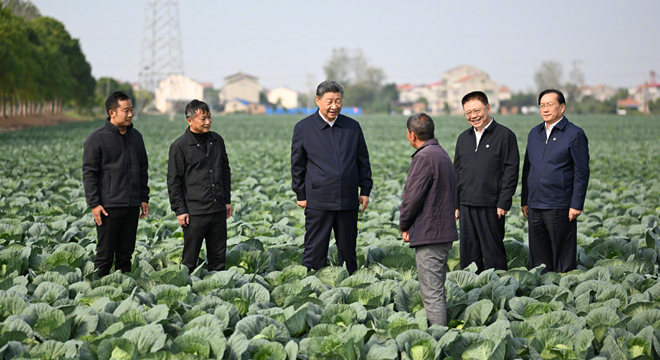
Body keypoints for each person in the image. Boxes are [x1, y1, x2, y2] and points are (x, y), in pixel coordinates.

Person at [290, 80, 372, 275]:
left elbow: (363, 161)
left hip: (348, 200)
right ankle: (313, 288)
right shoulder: (304, 128)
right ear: (318, 101)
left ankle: (350, 285)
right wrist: (300, 194)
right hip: (319, 200)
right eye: (329, 101)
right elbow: (297, 165)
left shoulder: (352, 127)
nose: (334, 106)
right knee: (314, 252)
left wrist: (365, 190)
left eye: (338, 101)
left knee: (348, 251)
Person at [522, 89, 589, 273]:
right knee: (538, 256)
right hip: (535, 205)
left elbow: (581, 172)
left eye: (549, 104)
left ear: (562, 107)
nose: (545, 109)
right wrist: (525, 200)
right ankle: (541, 289)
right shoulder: (534, 133)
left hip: (559, 205)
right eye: (542, 105)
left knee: (562, 256)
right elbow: (528, 168)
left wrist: (576, 204)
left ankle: (565, 289)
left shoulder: (574, 134)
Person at [82, 91, 149, 277]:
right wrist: (94, 204)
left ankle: (124, 292)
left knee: (125, 256)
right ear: (112, 112)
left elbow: (143, 169)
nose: (130, 114)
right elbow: (89, 173)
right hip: (108, 207)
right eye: (125, 110)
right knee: (105, 255)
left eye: (131, 110)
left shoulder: (136, 137)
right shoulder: (97, 139)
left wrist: (143, 198)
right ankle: (97, 291)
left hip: (131, 206)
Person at [400, 113, 457, 326]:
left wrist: (404, 225)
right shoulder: (441, 153)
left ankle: (439, 341)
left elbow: (411, 198)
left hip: (429, 234)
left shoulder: (423, 157)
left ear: (412, 135)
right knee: (437, 290)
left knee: (431, 294)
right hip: (443, 232)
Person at [454, 91, 519, 273]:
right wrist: (456, 203)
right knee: (468, 253)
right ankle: (471, 292)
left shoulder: (505, 136)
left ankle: (496, 289)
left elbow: (510, 171)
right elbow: (457, 172)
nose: (473, 116)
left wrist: (504, 201)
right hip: (466, 204)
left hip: (491, 205)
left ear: (488, 108)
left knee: (493, 253)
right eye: (468, 112)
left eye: (476, 110)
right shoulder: (463, 138)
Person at [167, 100, 232, 273]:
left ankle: (217, 290)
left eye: (209, 117)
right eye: (203, 118)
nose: (208, 121)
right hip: (195, 211)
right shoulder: (179, 146)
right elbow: (174, 181)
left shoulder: (217, 140)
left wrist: (227, 201)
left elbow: (225, 171)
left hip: (217, 208)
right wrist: (180, 210)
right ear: (190, 121)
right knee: (190, 259)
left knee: (218, 259)